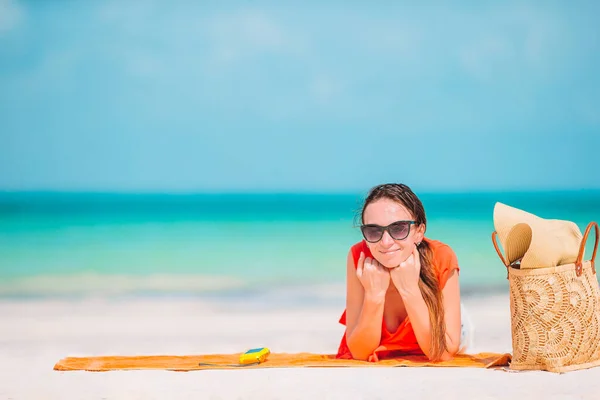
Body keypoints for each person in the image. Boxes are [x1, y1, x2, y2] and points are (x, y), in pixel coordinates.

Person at [336, 183, 465, 362]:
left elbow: (441, 353)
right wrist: (375, 295)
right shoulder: (359, 256)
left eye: (398, 228)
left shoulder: (441, 257)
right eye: (373, 231)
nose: (386, 242)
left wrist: (409, 290)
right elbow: (360, 354)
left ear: (419, 232)